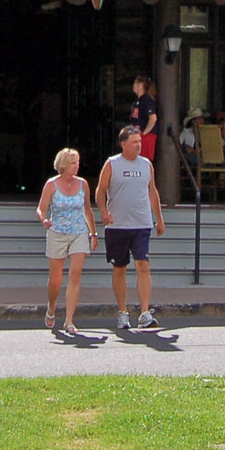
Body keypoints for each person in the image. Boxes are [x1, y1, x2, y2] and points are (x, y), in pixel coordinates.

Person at [97, 125, 165, 331]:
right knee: (120, 268)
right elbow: (100, 190)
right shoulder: (112, 164)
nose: (138, 145)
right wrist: (103, 212)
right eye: (134, 142)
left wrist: (159, 219)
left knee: (143, 265)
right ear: (123, 144)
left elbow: (152, 191)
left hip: (141, 223)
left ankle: (145, 312)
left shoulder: (146, 164)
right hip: (118, 225)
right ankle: (122, 312)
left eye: (140, 142)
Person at [36, 147, 97, 333]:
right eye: (73, 163)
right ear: (63, 165)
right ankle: (52, 306)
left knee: (75, 274)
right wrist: (44, 220)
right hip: (57, 234)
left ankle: (69, 320)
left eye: (77, 163)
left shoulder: (83, 184)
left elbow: (87, 210)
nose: (77, 166)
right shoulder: (51, 185)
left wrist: (93, 234)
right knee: (55, 280)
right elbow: (41, 208)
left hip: (79, 232)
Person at [128, 74, 158, 161]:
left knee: (143, 161)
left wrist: (144, 134)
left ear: (140, 84)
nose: (133, 85)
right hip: (137, 136)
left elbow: (153, 118)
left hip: (145, 137)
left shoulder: (146, 100)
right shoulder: (138, 102)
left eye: (135, 83)